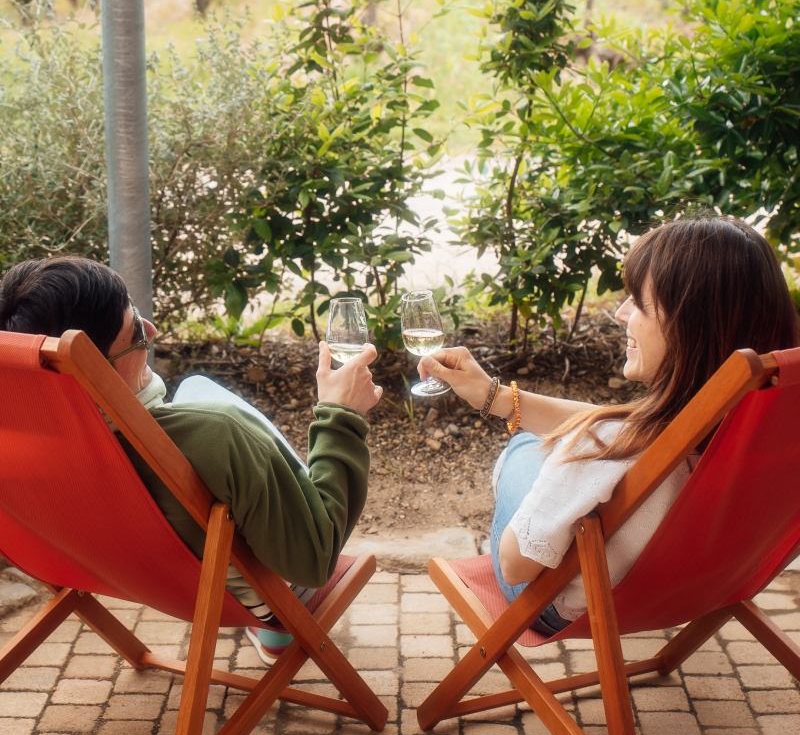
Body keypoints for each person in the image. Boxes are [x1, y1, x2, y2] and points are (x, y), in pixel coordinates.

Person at [416, 216, 800, 636]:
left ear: (691, 324)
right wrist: (495, 396)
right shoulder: (763, 423)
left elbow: (514, 567)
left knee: (522, 450)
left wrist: (553, 464)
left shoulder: (606, 447)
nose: (620, 313)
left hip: (570, 604)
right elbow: (635, 431)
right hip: (708, 586)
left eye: (639, 302)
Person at [0, 256, 383, 663]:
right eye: (135, 332)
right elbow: (313, 560)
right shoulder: (214, 435)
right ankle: (279, 635)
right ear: (96, 370)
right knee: (207, 400)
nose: (151, 330)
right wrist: (341, 414)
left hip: (120, 576)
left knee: (196, 387)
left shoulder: (22, 442)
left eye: (137, 312)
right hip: (266, 594)